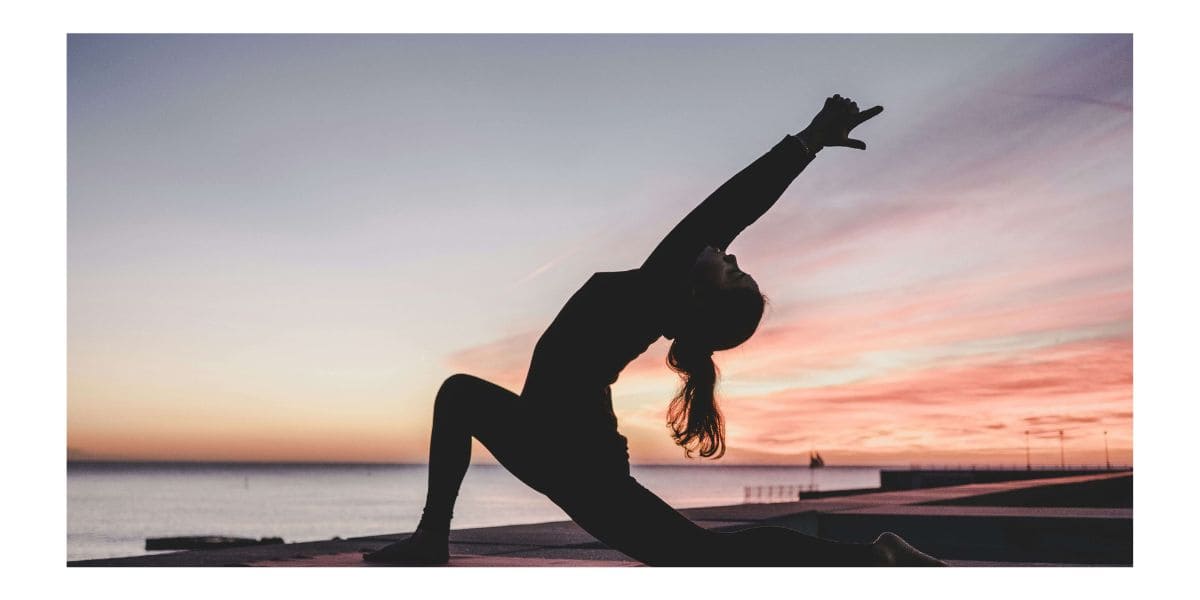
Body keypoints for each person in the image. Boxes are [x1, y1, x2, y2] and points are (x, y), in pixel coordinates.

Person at [364, 94, 946, 566]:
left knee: (703, 559)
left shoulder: (659, 286)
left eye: (733, 270)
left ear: (699, 296)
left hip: (571, 456)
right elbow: (726, 219)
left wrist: (808, 142)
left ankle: (876, 559)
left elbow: (730, 207)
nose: (730, 256)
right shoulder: (664, 295)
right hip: (557, 443)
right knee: (460, 394)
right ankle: (431, 538)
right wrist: (808, 143)